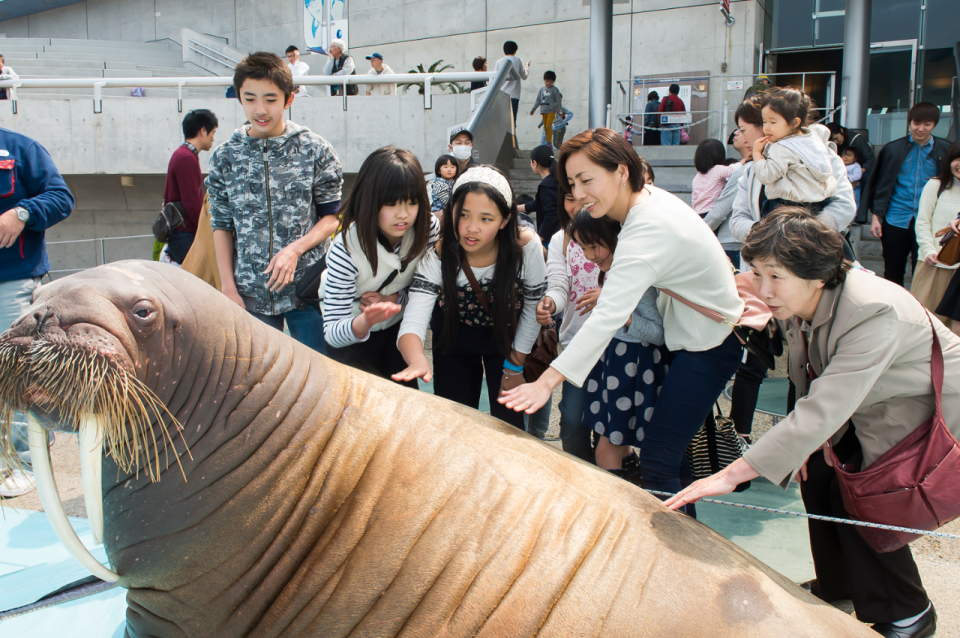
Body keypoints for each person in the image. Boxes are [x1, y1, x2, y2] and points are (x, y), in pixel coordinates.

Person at [666, 208, 957, 638]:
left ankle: (907, 612)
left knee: (866, 493)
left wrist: (732, 473)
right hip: (869, 400)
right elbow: (807, 377)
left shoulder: (872, 306)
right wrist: (804, 446)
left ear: (817, 273)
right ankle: (841, 586)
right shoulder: (805, 298)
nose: (763, 290)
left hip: (926, 409)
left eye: (775, 276)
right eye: (757, 274)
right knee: (817, 474)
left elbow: (825, 405)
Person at [499, 129, 745, 514]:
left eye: (586, 180)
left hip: (708, 345)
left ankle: (675, 561)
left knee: (660, 461)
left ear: (621, 172)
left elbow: (608, 315)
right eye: (572, 183)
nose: (578, 194)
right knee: (667, 458)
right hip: (687, 340)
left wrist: (548, 380)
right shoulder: (646, 204)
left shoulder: (645, 227)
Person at [208, 52, 342, 354]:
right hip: (249, 293)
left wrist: (294, 250)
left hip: (309, 289)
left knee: (322, 382)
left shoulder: (316, 150)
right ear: (239, 98)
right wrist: (228, 288)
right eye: (250, 98)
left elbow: (331, 218)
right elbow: (221, 225)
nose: (260, 109)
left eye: (270, 99)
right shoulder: (224, 156)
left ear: (289, 99)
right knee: (257, 388)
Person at [393, 166, 547, 430]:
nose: (471, 228)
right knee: (455, 426)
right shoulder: (438, 255)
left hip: (508, 339)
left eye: (486, 218)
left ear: (505, 219)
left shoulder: (525, 246)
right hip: (454, 340)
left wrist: (515, 366)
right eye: (463, 215)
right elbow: (414, 318)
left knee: (508, 427)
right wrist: (417, 358)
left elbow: (534, 305)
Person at [320, 147, 439, 383]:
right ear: (370, 200)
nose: (403, 215)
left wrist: (393, 299)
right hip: (352, 339)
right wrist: (366, 320)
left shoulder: (428, 229)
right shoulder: (346, 248)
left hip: (397, 333)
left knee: (403, 406)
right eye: (391, 204)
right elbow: (332, 332)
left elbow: (425, 287)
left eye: (412, 203)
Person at [0, 126, 74, 498]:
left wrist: (23, 212)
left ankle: (23, 461)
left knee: (12, 373)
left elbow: (62, 198)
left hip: (10, 281)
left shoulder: (19, 147)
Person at [569, 209, 667, 484]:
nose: (589, 255)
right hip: (618, 364)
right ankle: (636, 489)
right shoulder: (617, 272)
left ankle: (618, 510)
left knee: (606, 450)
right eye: (584, 247)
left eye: (594, 246)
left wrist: (621, 314)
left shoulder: (638, 278)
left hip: (635, 366)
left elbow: (658, 333)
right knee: (618, 444)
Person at [729, 97, 856, 244]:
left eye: (743, 130)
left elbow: (844, 206)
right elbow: (737, 221)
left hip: (815, 254)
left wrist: (802, 236)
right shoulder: (752, 169)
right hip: (768, 259)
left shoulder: (821, 155)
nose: (742, 138)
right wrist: (771, 234)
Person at [864, 102, 951, 288]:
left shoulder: (945, 149)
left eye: (927, 124)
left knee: (924, 269)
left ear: (934, 125)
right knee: (893, 269)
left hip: (930, 221)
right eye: (916, 123)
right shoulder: (892, 149)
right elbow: (881, 184)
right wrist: (876, 217)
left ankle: (919, 310)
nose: (920, 129)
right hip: (896, 217)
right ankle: (894, 308)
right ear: (909, 122)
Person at [535, 192, 595, 461]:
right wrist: (550, 302)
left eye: (586, 196)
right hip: (576, 345)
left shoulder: (625, 234)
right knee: (571, 424)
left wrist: (607, 293)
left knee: (611, 433)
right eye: (570, 197)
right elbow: (559, 283)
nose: (578, 205)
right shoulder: (561, 239)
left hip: (621, 346)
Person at [752, 88, 838, 217]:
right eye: (765, 121)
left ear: (795, 122)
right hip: (816, 205)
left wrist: (757, 153)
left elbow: (766, 176)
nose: (767, 127)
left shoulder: (781, 147)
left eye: (773, 122)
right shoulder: (813, 139)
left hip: (783, 207)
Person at [912, 140, 960, 329]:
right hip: (933, 263)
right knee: (922, 320)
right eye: (958, 159)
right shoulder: (936, 185)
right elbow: (923, 221)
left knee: (952, 327)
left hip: (958, 271)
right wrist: (928, 250)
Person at [163, 109, 218, 265]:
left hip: (180, 235)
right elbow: (192, 205)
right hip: (185, 236)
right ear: (203, 131)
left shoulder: (182, 154)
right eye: (212, 132)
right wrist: (207, 231)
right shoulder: (186, 157)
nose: (213, 138)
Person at [826, 122, 875, 217]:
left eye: (837, 138)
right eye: (833, 140)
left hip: (859, 170)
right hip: (841, 170)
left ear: (842, 131)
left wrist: (860, 172)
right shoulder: (832, 145)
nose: (836, 142)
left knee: (866, 177)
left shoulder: (857, 139)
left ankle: (862, 212)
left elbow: (870, 158)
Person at [517, 144, 560, 245]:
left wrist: (539, 238)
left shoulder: (546, 185)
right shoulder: (555, 181)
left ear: (535, 163)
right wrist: (515, 208)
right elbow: (539, 204)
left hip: (550, 240)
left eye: (531, 162)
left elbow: (551, 214)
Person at [691, 138, 739, 217]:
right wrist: (743, 162)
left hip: (698, 213)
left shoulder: (697, 177)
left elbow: (694, 199)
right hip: (711, 211)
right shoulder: (717, 169)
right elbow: (733, 170)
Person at [493, 40, 530, 128]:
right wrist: (527, 66)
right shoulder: (517, 60)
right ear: (515, 50)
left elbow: (494, 78)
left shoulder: (499, 62)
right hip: (514, 95)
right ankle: (511, 140)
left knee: (502, 120)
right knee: (512, 121)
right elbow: (524, 76)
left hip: (501, 94)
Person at [529, 71, 563, 147]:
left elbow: (558, 101)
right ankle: (548, 142)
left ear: (553, 81)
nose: (548, 83)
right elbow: (538, 100)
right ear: (544, 80)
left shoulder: (555, 90)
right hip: (543, 111)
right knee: (545, 128)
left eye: (550, 82)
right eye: (547, 81)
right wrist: (533, 110)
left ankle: (549, 142)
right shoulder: (541, 90)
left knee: (548, 126)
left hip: (551, 111)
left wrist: (560, 111)